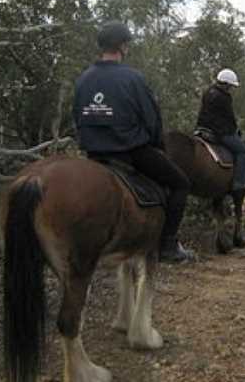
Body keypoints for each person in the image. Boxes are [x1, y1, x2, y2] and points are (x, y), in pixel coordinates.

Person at [73, 22, 193, 263]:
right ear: (123, 46)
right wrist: (157, 145)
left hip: (94, 154)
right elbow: (151, 119)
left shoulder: (83, 79)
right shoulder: (133, 78)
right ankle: (168, 244)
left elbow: (77, 116)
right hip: (130, 152)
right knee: (181, 183)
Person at [196, 69, 245, 194]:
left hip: (201, 128)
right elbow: (229, 118)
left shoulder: (208, 92)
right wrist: (235, 131)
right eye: (230, 86)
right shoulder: (224, 97)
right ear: (225, 84)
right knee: (243, 152)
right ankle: (238, 184)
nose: (231, 89)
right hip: (219, 132)